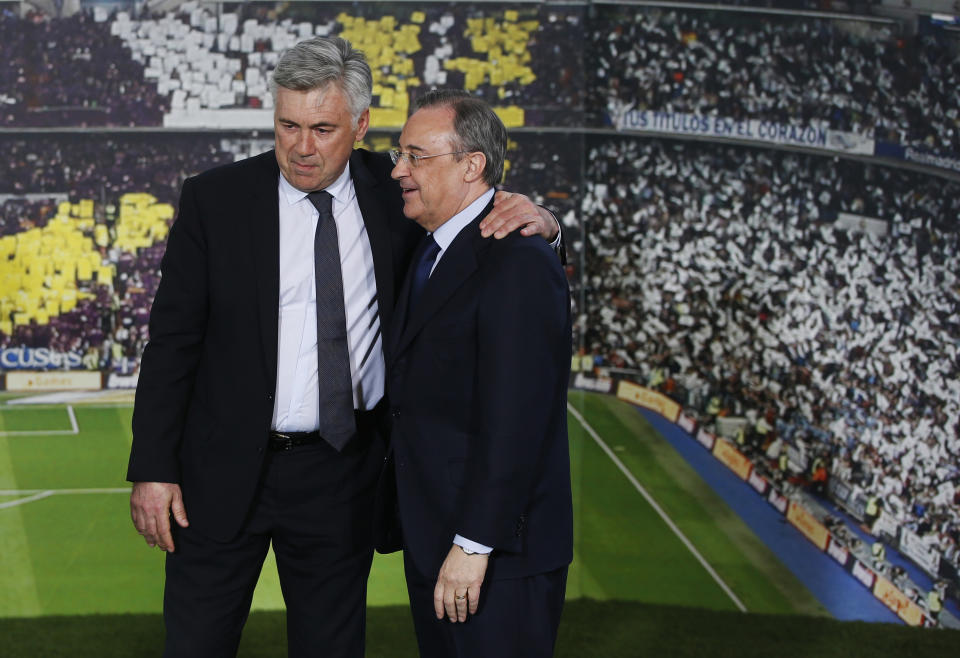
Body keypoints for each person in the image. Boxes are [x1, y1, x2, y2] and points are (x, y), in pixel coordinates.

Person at [126, 37, 559, 658]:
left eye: (323, 128)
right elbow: (170, 343)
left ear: (359, 127)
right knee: (195, 645)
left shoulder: (400, 194)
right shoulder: (214, 200)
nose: (302, 147)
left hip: (341, 473)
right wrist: (153, 467)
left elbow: (481, 231)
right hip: (217, 477)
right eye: (288, 125)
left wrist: (546, 219)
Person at [378, 89, 572, 658]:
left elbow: (518, 419)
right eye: (399, 153)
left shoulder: (516, 259)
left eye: (416, 156)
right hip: (436, 538)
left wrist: (473, 543)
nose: (398, 170)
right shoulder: (432, 243)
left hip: (493, 553)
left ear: (472, 165)